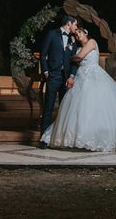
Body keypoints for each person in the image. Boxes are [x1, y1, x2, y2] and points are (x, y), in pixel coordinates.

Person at [40, 27, 116, 152]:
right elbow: (76, 61)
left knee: (96, 105)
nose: (78, 36)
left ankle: (98, 137)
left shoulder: (92, 42)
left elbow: (79, 58)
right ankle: (78, 138)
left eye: (80, 33)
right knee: (79, 108)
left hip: (94, 76)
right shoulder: (77, 48)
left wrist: (64, 58)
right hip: (81, 77)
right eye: (76, 34)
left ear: (85, 33)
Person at [38, 15, 79, 148]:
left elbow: (74, 60)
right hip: (53, 76)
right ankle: (43, 139)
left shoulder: (74, 40)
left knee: (64, 108)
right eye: (75, 25)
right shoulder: (52, 34)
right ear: (69, 23)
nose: (76, 27)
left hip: (66, 78)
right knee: (48, 106)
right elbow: (43, 54)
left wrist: (72, 75)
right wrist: (45, 72)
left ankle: (60, 139)